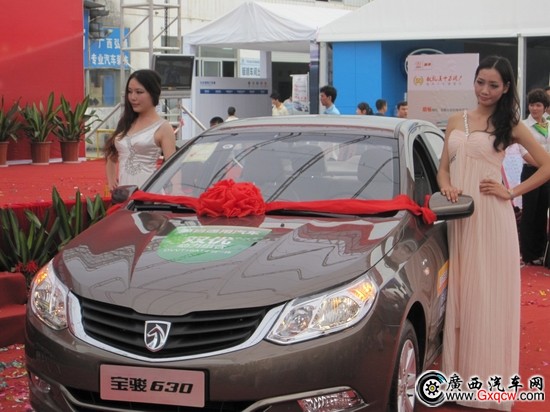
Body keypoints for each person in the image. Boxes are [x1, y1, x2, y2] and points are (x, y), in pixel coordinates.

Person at [437, 56, 550, 411]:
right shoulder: (455, 120)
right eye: (480, 82)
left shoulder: (511, 125)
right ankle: (459, 383)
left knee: (488, 297)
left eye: (493, 85)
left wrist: (512, 192)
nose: (485, 90)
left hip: (492, 218)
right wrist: (447, 186)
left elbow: (546, 165)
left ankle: (488, 387)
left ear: (505, 88)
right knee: (463, 295)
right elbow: (443, 170)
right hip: (460, 218)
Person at [104, 69, 176, 191]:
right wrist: (111, 181)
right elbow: (111, 155)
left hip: (149, 193)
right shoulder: (125, 122)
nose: (133, 97)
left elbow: (173, 168)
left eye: (139, 92)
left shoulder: (163, 127)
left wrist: (174, 196)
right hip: (124, 193)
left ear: (153, 93)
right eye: (130, 92)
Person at [518, 88, 550, 265]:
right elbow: (524, 153)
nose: (534, 108)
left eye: (538, 105)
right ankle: (528, 254)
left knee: (542, 212)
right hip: (531, 171)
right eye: (531, 105)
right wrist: (545, 166)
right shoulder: (523, 126)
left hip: (547, 174)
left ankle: (541, 251)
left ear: (545, 107)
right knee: (529, 212)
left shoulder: (548, 124)